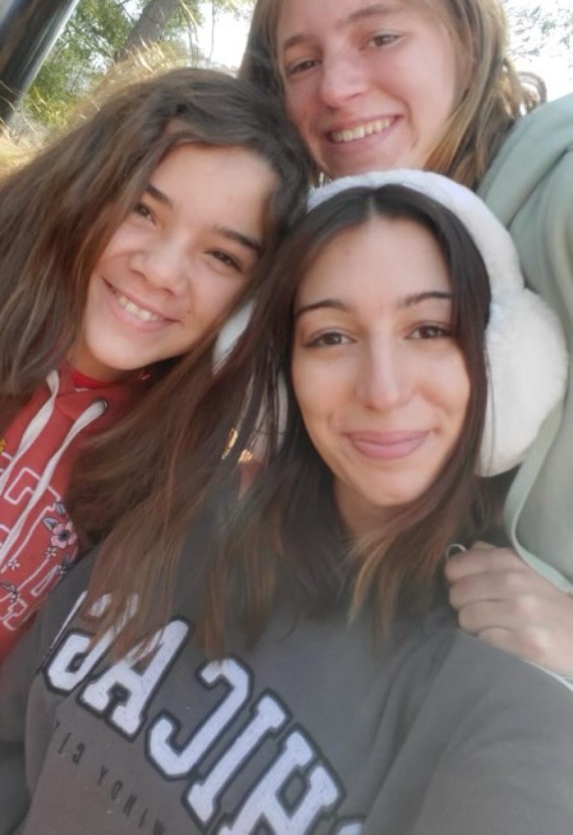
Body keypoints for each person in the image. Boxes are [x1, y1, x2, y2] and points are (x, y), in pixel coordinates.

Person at [0, 171, 571, 835]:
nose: (382, 389)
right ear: (278, 375)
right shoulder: (177, 510)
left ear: (500, 360)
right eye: (330, 336)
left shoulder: (503, 690)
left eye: (428, 329)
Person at [240, 0, 573, 675]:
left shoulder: (558, 194)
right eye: (301, 63)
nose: (336, 87)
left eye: (379, 38)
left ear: (466, 37)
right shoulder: (340, 253)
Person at [0, 65, 310, 662]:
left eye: (222, 256)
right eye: (143, 211)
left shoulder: (182, 482)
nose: (162, 271)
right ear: (85, 186)